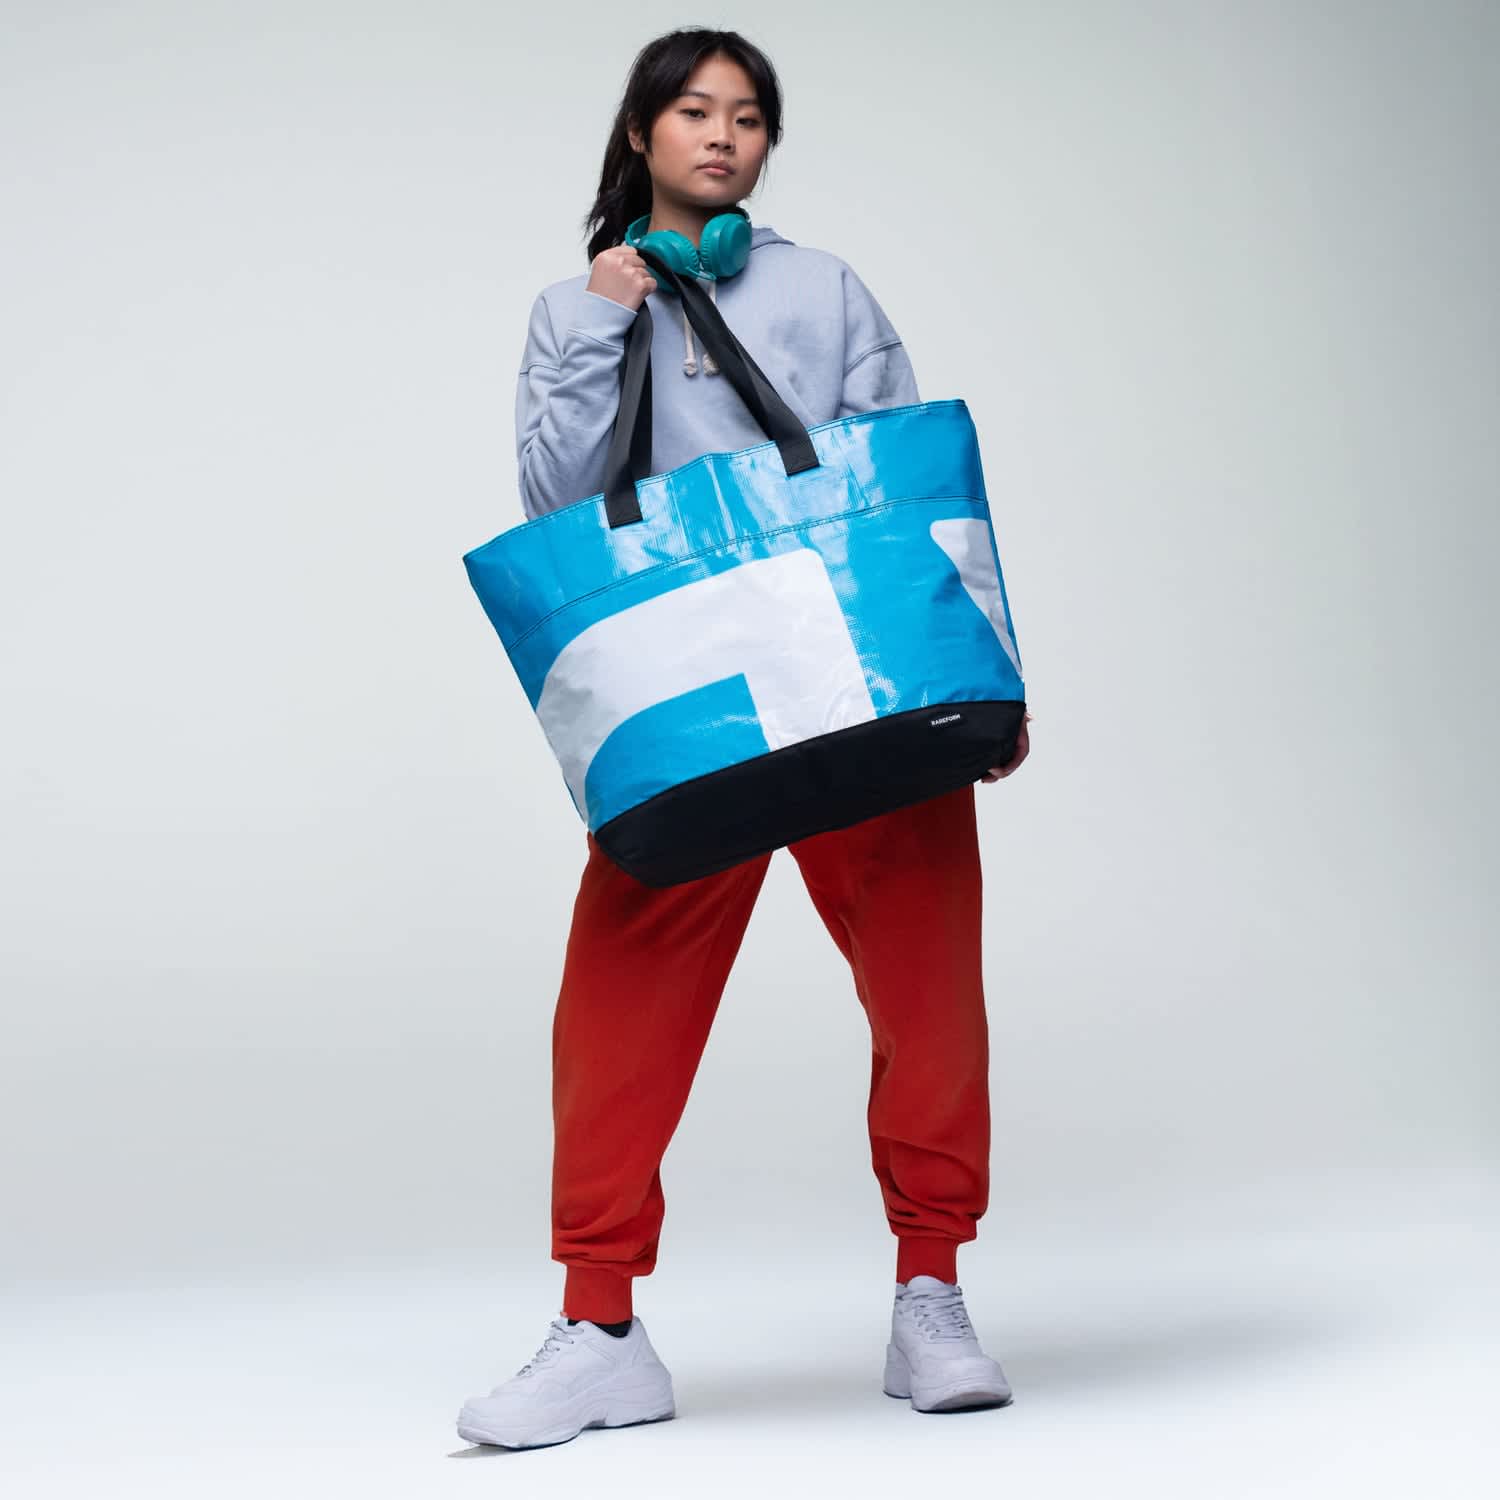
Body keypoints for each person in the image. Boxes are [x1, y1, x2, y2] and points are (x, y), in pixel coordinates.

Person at [456, 26, 1032, 1451]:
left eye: (750, 116)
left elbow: (906, 487)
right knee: (617, 1008)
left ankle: (931, 1293)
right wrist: (601, 322)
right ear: (641, 132)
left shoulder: (821, 288)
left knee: (927, 989)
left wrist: (979, 678)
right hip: (688, 694)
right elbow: (556, 504)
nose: (723, 135)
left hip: (854, 670)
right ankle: (599, 1329)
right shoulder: (574, 307)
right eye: (695, 111)